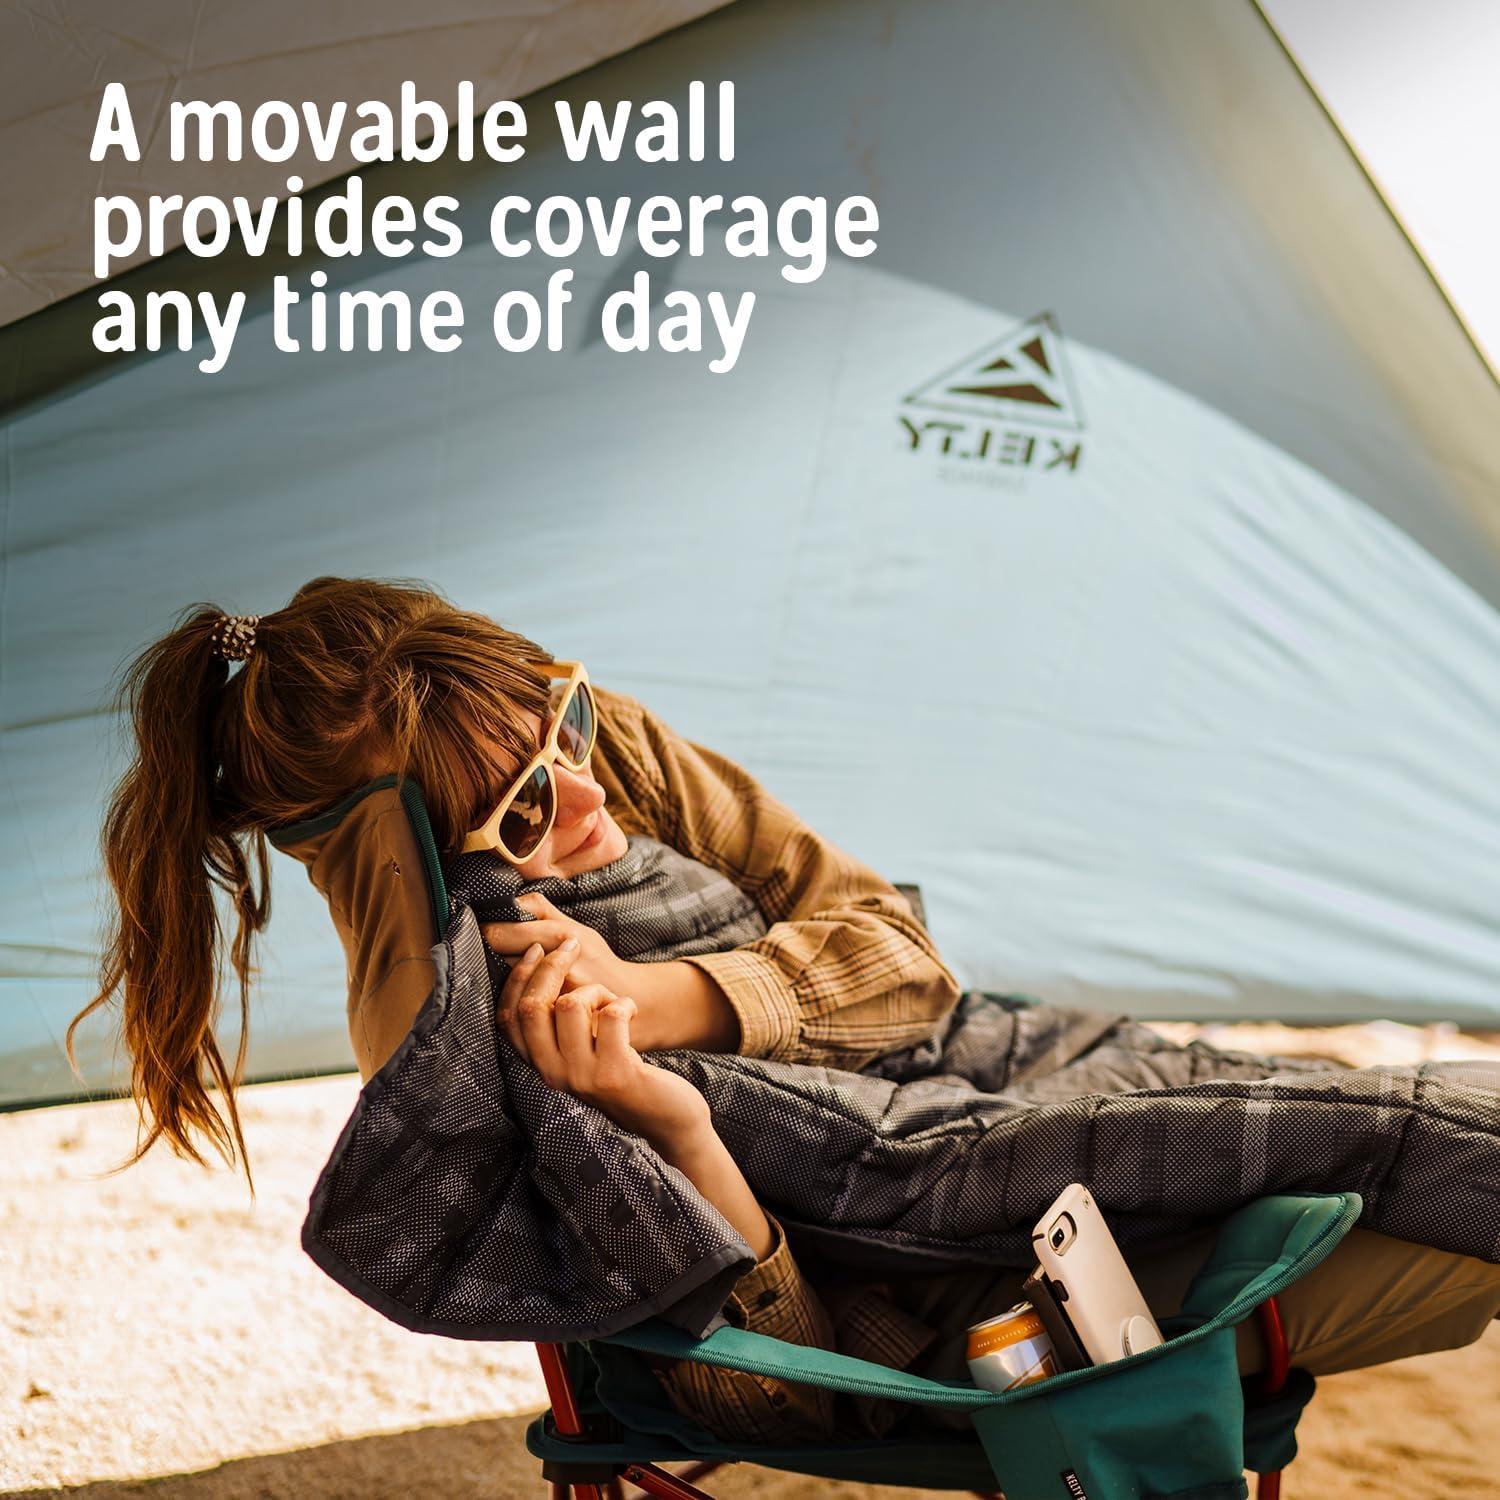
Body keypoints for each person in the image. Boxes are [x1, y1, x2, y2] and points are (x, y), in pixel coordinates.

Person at [73, 574, 1500, 1448]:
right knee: (1437, 1178)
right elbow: (777, 1391)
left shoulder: (596, 752)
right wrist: (683, 1131)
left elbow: (902, 955)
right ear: (425, 867)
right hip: (1000, 1269)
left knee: (1392, 1105)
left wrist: (677, 995)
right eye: (525, 807)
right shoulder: (523, 1044)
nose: (587, 793)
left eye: (565, 725)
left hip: (1024, 1063)